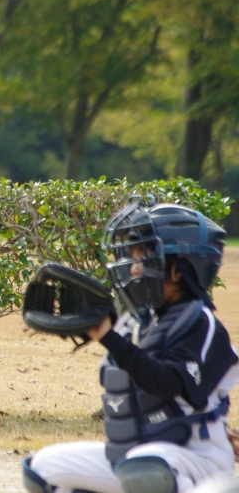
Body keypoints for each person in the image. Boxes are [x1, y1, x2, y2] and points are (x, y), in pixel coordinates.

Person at [22, 198, 239, 493]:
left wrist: (109, 337)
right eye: (132, 258)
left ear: (178, 270)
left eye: (144, 258)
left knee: (145, 469)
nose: (134, 269)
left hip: (198, 459)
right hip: (136, 458)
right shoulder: (140, 321)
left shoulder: (201, 323)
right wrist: (89, 326)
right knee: (43, 470)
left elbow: (167, 383)